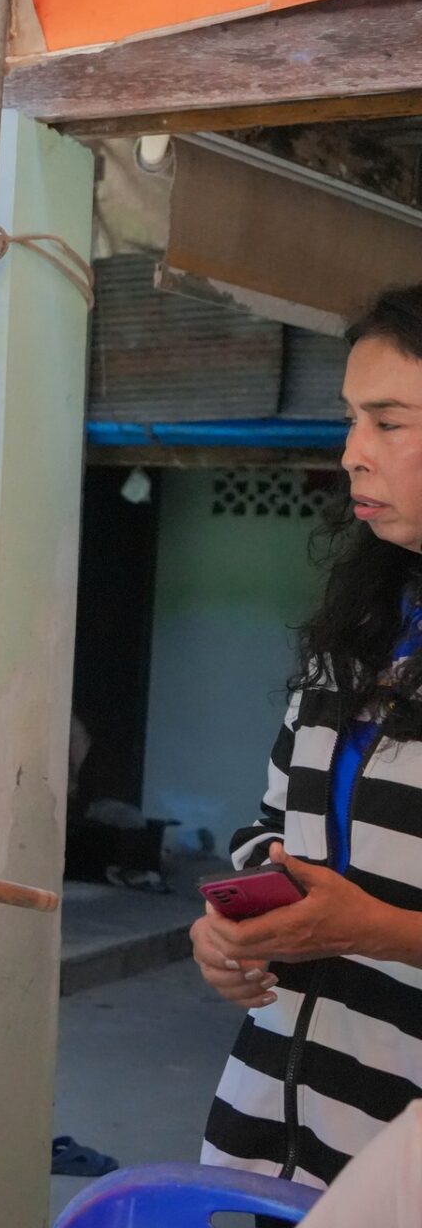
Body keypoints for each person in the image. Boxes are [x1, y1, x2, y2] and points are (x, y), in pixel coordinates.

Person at [195, 284, 422, 1193]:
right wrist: (236, 929)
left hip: (400, 1165)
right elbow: (271, 829)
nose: (352, 451)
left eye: (389, 422)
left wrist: (383, 931)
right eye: (351, 418)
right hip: (273, 1127)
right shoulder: (362, 631)